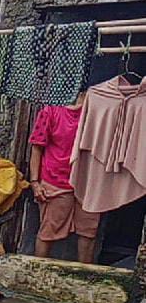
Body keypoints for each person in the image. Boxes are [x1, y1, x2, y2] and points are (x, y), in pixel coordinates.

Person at [29, 96, 100, 263]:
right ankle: (37, 276)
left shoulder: (96, 110)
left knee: (88, 232)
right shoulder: (51, 110)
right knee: (48, 232)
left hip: (88, 183)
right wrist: (35, 183)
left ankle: (83, 279)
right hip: (56, 181)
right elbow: (37, 148)